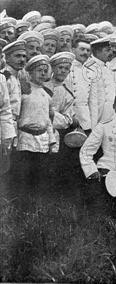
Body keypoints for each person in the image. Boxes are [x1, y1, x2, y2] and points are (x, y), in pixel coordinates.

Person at [10, 55, 56, 195]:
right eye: (39, 71)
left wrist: (51, 140)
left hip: (41, 140)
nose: (42, 74)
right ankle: (22, 203)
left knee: (39, 175)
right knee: (24, 175)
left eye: (44, 71)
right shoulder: (23, 91)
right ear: (29, 72)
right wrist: (15, 138)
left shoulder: (47, 94)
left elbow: (48, 119)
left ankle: (36, 203)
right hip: (26, 138)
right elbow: (16, 116)